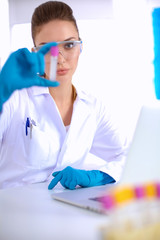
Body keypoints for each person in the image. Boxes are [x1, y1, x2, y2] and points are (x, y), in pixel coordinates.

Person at [0, 1, 127, 189]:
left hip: (66, 212)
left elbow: (129, 154)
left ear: (81, 47)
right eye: (47, 49)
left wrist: (99, 176)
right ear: (35, 52)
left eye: (68, 45)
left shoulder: (92, 107)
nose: (59, 59)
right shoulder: (14, 98)